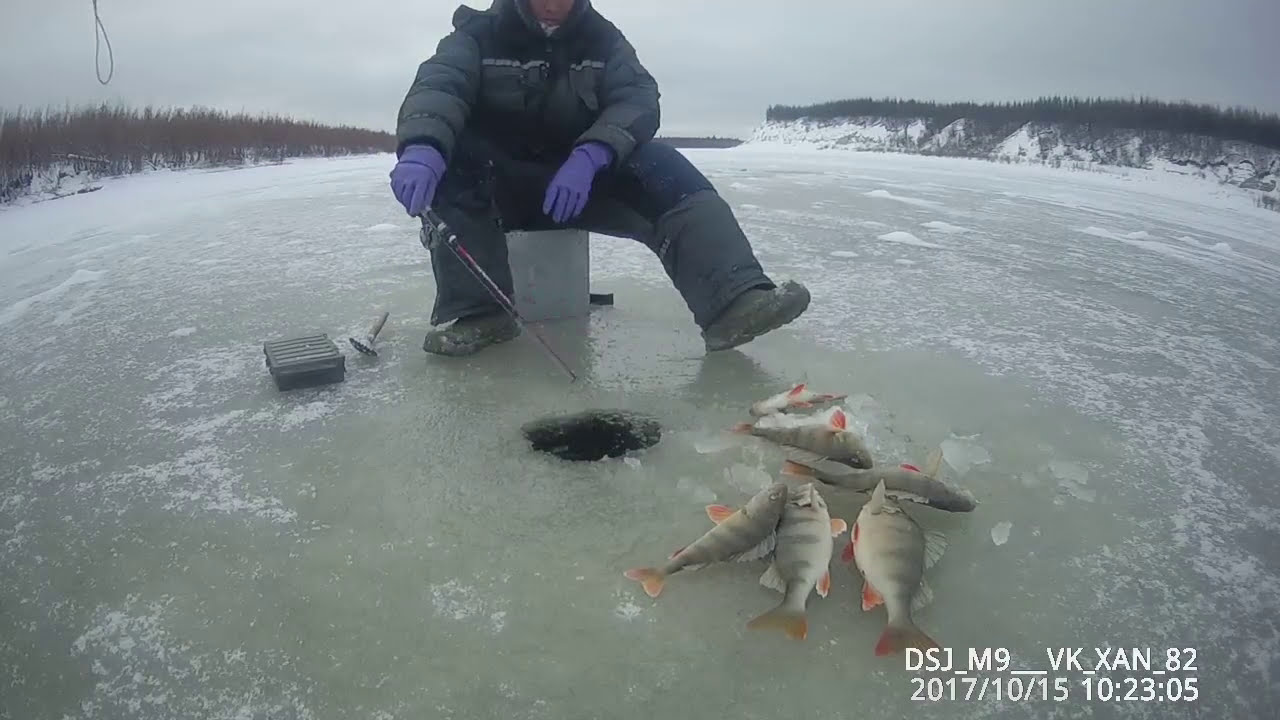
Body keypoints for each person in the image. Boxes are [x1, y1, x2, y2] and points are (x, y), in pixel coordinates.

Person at [389, 0, 811, 357]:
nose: (553, 4)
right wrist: (423, 145)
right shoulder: (475, 35)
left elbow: (638, 99)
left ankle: (732, 302)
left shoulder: (604, 39)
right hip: (496, 189)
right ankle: (482, 315)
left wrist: (594, 154)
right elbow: (440, 87)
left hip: (577, 184)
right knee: (451, 163)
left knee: (662, 165)